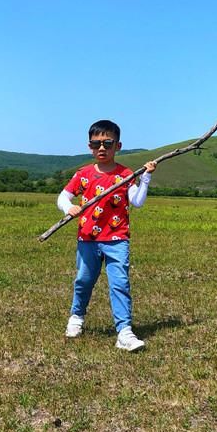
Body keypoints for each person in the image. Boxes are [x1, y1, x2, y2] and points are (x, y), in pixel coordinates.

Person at [57, 119, 156, 352]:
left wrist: (147, 178)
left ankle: (124, 332)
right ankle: (77, 317)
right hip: (88, 239)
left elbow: (137, 201)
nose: (101, 148)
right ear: (90, 146)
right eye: (96, 144)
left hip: (117, 238)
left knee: (120, 283)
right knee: (83, 280)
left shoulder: (126, 174)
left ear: (118, 146)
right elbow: (63, 196)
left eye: (107, 143)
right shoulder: (83, 174)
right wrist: (68, 208)